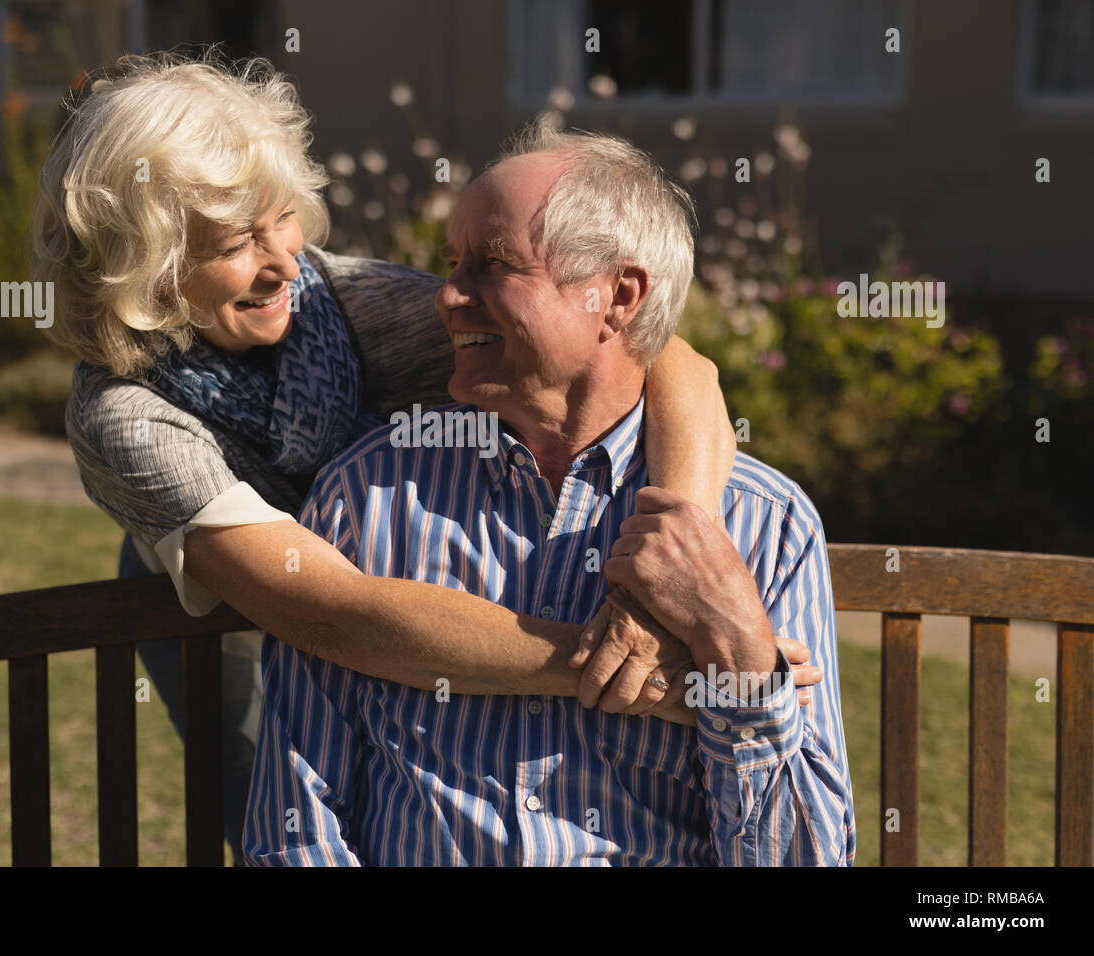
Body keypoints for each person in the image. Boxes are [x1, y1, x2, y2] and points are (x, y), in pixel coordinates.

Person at [31, 51, 820, 863]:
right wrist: (632, 673)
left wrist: (665, 574)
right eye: (238, 242)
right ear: (149, 261)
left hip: (395, 582)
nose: (283, 260)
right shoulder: (124, 416)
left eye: (282, 218)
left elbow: (664, 359)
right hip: (246, 614)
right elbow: (334, 612)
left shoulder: (348, 303)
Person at [243, 126, 855, 866]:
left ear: (619, 297)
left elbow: (804, 858)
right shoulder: (369, 495)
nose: (447, 295)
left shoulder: (763, 525)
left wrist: (740, 651)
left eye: (494, 264)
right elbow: (295, 828)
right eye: (452, 263)